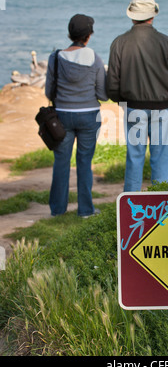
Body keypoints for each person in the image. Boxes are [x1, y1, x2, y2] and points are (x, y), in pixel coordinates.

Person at [106, 0, 168, 191]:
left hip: (133, 107)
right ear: (152, 16)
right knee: (160, 162)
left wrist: (122, 101)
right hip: (163, 108)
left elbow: (112, 84)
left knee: (134, 158)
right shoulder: (166, 42)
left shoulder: (119, 43)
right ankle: (162, 209)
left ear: (132, 17)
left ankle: (131, 211)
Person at [45, 14, 108, 217]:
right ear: (88, 36)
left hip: (62, 117)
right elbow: (103, 95)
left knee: (61, 162)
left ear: (70, 34)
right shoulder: (95, 58)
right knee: (84, 162)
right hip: (89, 116)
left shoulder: (55, 58)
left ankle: (57, 210)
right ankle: (86, 210)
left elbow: (49, 92)